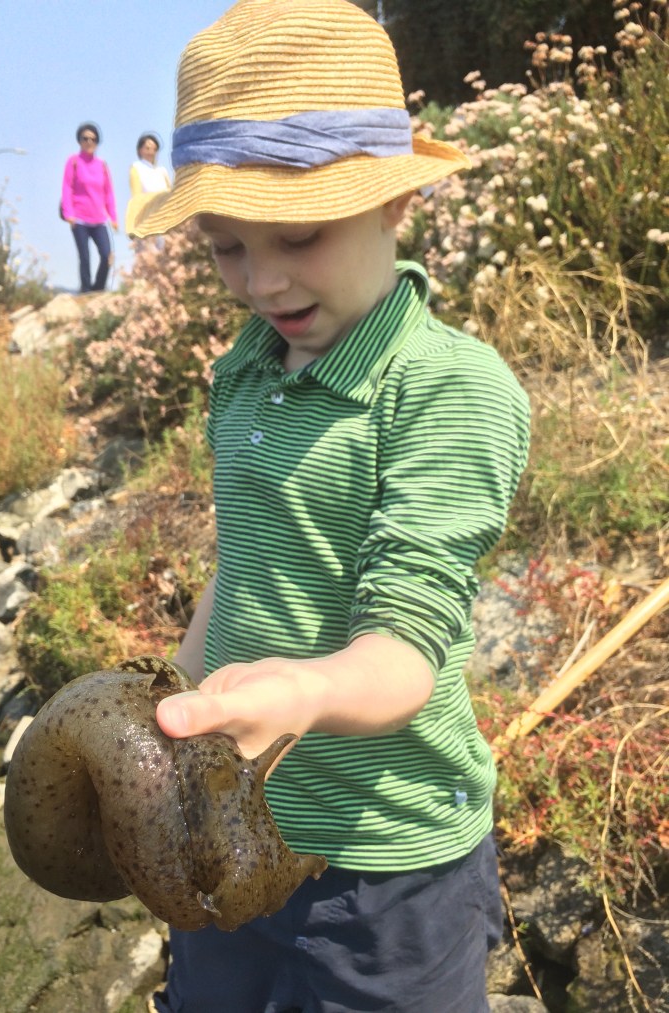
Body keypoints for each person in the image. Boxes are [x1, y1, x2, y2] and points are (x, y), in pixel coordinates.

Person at [126, 1, 531, 1010]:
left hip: (385, 864)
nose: (261, 281)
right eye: (224, 247)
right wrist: (177, 698)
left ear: (394, 203)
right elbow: (248, 560)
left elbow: (403, 649)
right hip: (233, 827)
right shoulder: (246, 371)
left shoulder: (447, 389)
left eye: (298, 236)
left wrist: (298, 695)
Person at [61, 121, 118, 293]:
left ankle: (98, 288)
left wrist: (113, 217)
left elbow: (108, 193)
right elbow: (67, 187)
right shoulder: (74, 162)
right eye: (85, 138)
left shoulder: (102, 165)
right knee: (85, 257)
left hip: (99, 219)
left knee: (107, 255)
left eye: (93, 139)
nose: (89, 142)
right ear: (79, 140)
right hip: (79, 219)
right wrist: (68, 213)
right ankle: (85, 290)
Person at [129, 131, 172, 196]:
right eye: (147, 148)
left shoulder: (162, 171)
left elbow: (170, 192)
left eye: (154, 149)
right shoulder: (136, 167)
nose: (151, 152)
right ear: (140, 150)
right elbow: (136, 195)